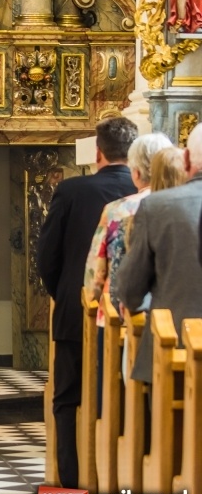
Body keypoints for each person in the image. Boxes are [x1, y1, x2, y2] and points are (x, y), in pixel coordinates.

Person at [36, 116, 138, 490]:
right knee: (127, 396)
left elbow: (46, 255)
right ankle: (123, 488)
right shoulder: (147, 192)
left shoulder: (72, 190)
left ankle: (71, 493)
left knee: (67, 399)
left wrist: (64, 293)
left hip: (76, 311)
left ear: (98, 152)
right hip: (135, 317)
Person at [83, 133, 172, 412]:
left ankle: (111, 444)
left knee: (113, 401)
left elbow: (95, 274)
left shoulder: (119, 210)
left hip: (120, 317)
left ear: (136, 172)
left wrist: (91, 296)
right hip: (176, 319)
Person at [118, 124, 202, 387]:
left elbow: (130, 289)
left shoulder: (158, 205)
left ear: (186, 159)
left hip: (175, 347)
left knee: (168, 426)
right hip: (176, 348)